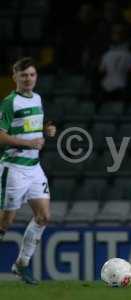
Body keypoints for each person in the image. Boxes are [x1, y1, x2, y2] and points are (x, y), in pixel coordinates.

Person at [0, 57, 56, 284]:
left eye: (32, 75)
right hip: (13, 168)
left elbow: (33, 125)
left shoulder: (38, 98)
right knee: (5, 222)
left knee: (43, 217)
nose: (28, 79)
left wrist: (47, 130)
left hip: (34, 168)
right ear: (15, 77)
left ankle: (21, 264)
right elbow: (1, 135)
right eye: (23, 75)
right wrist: (28, 144)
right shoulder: (9, 102)